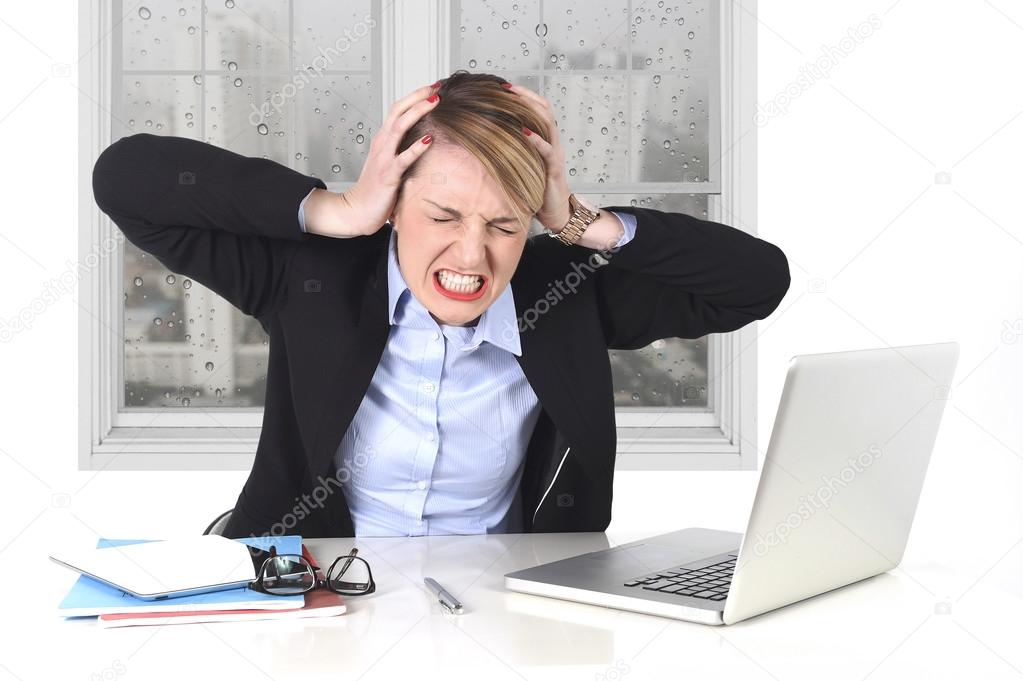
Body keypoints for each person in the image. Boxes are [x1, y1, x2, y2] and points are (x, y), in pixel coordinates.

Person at [91, 71, 791, 539]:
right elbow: (124, 177)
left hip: (506, 611)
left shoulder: (564, 292)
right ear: (394, 206)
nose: (469, 256)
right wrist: (336, 210)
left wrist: (578, 220)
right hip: (314, 600)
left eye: (504, 224)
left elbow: (756, 281)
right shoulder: (310, 278)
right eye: (444, 215)